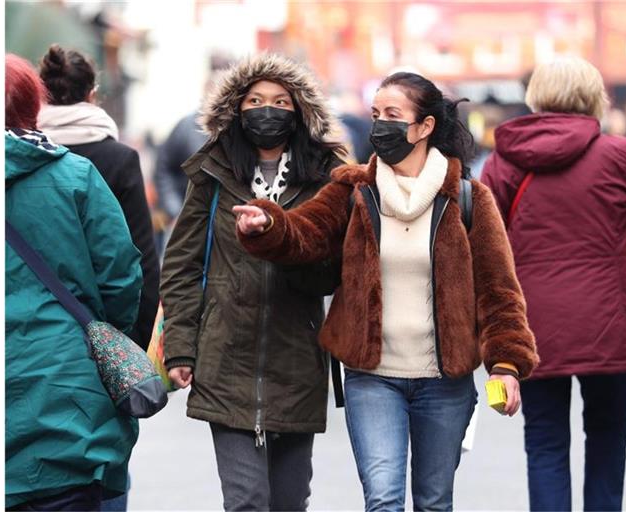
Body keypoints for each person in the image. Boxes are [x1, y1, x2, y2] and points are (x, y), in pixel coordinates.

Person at [234, 71, 539, 511]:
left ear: (425, 126)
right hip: (371, 378)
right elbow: (306, 232)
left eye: (392, 115)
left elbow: (499, 290)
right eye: (375, 114)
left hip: (445, 381)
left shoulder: (470, 199)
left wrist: (507, 363)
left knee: (434, 501)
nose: (380, 125)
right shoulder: (353, 190)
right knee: (383, 499)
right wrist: (269, 223)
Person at [480, 56, 626, 512]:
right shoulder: (619, 155)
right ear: (595, 97)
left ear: (536, 96)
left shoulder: (503, 162)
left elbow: (481, 241)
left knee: (545, 440)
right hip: (607, 324)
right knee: (609, 432)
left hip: (532, 327)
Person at [159, 53, 346, 512]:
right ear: (236, 110)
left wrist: (280, 239)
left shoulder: (324, 178)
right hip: (225, 357)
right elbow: (181, 264)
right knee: (246, 501)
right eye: (256, 100)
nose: (268, 109)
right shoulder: (214, 174)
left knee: (288, 502)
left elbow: (333, 269)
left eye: (281, 101)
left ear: (299, 111)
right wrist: (182, 347)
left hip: (297, 359)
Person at [5, 53, 142, 511]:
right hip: (70, 403)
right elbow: (122, 276)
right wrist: (105, 334)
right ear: (32, 106)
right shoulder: (75, 176)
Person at [37, 44, 159, 353]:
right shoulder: (120, 159)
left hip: (34, 328)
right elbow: (142, 255)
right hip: (103, 330)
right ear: (93, 93)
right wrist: (135, 346)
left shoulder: (23, 155)